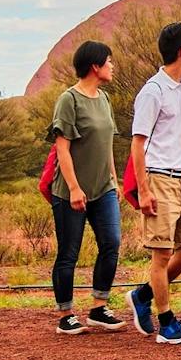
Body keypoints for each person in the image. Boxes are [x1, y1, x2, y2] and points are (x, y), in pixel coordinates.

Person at [126, 21, 181, 345]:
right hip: (159, 179)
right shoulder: (153, 92)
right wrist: (143, 189)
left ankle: (143, 295)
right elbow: (137, 143)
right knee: (161, 253)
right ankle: (166, 322)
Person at [48, 40, 124, 334]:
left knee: (111, 243)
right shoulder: (69, 100)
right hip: (70, 191)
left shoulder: (104, 99)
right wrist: (74, 188)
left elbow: (106, 144)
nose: (112, 66)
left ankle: (98, 307)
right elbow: (62, 149)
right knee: (69, 252)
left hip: (103, 188)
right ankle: (66, 314)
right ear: (95, 66)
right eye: (109, 61)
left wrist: (114, 180)